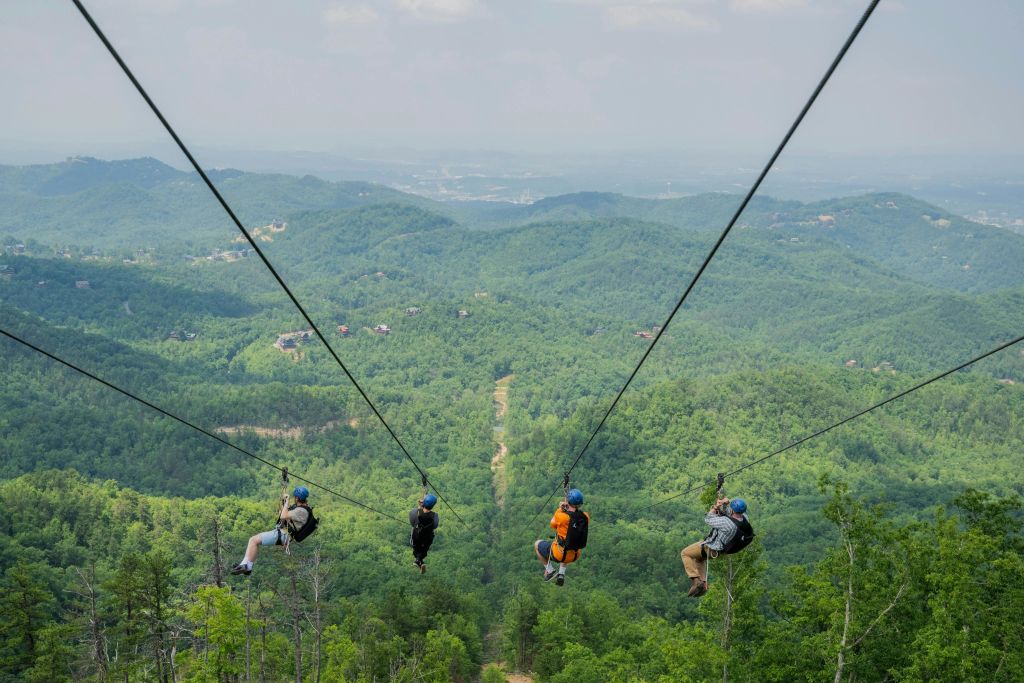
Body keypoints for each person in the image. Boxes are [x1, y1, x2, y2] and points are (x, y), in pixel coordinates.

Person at [231, 485, 312, 576]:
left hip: (284, 534)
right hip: (283, 533)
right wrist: (284, 502)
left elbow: (283, 516)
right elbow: (282, 513)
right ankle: (246, 566)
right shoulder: (300, 508)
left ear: (297, 498)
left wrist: (287, 503)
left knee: (253, 540)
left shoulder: (301, 511)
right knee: (255, 541)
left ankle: (246, 566)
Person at [681, 496, 753, 597]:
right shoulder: (744, 519)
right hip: (720, 551)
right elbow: (728, 513)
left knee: (685, 553)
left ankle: (695, 580)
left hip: (710, 548)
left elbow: (708, 518)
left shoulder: (727, 523)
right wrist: (724, 504)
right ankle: (703, 584)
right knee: (699, 559)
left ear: (733, 509)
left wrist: (715, 507)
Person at [533, 488, 590, 586]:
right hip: (575, 555)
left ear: (568, 501)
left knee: (537, 544)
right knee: (570, 540)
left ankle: (549, 570)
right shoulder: (585, 517)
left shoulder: (562, 517)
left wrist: (560, 508)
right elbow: (574, 520)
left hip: (559, 553)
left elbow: (552, 523)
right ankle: (561, 574)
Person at [410, 493, 439, 573]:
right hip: (426, 539)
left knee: (416, 549)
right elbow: (435, 526)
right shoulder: (435, 516)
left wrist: (420, 506)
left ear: (424, 503)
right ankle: (419, 561)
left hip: (416, 537)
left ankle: (418, 561)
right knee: (423, 550)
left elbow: (412, 521)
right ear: (433, 506)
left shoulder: (414, 513)